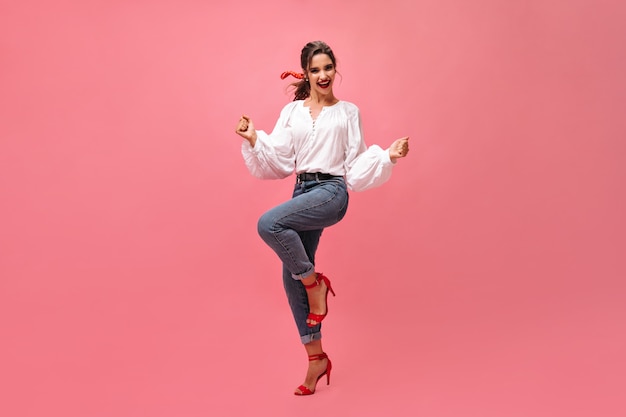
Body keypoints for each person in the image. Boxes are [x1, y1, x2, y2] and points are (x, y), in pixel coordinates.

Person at [234, 41, 409, 396]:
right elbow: (281, 158)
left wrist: (388, 156)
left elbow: (356, 165)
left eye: (328, 67)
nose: (323, 75)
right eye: (315, 70)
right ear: (306, 73)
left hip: (331, 192)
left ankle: (316, 285)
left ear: (335, 69)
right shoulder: (293, 112)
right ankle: (317, 358)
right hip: (302, 191)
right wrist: (253, 138)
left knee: (268, 224)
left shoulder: (347, 112)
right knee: (290, 277)